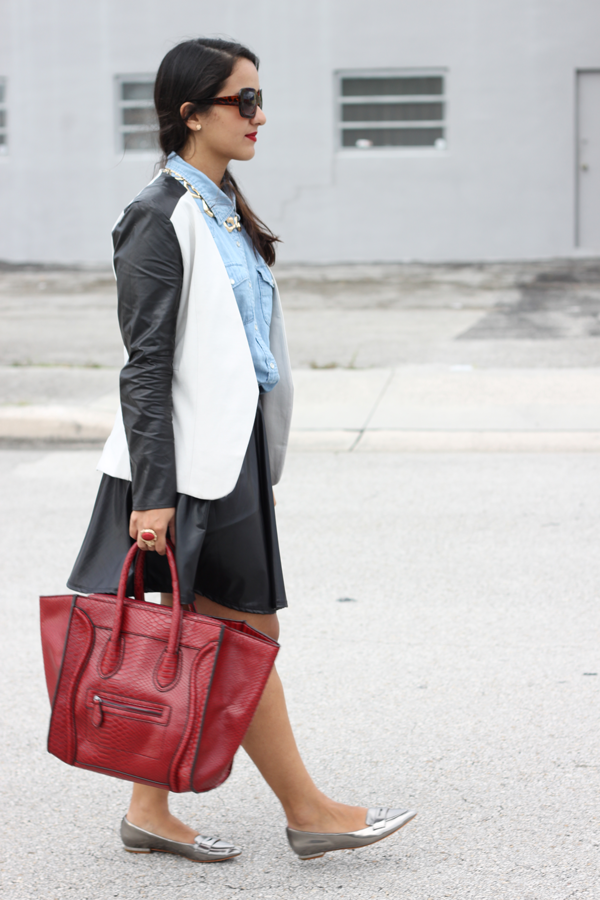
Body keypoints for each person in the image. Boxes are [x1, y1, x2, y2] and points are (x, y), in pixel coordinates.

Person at [68, 37, 416, 863]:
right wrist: (154, 493)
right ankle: (309, 811)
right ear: (192, 115)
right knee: (242, 633)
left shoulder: (224, 207)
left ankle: (149, 811)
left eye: (259, 98)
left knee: (216, 633)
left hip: (231, 457)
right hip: (184, 470)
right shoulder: (157, 216)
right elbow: (145, 368)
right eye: (244, 101)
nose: (260, 115)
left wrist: (259, 459)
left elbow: (246, 355)